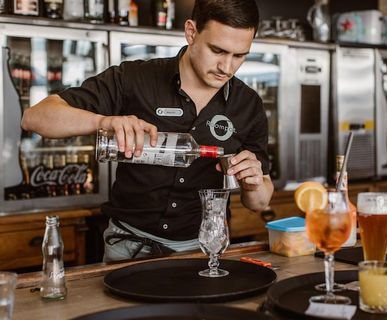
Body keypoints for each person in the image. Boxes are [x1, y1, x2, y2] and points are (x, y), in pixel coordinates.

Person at [21, 0, 274, 261]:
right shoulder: (135, 78)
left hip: (202, 249)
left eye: (240, 55)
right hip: (128, 246)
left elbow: (259, 202)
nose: (227, 67)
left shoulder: (248, 104)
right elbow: (34, 118)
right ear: (191, 32)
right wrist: (101, 122)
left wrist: (253, 184)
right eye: (217, 51)